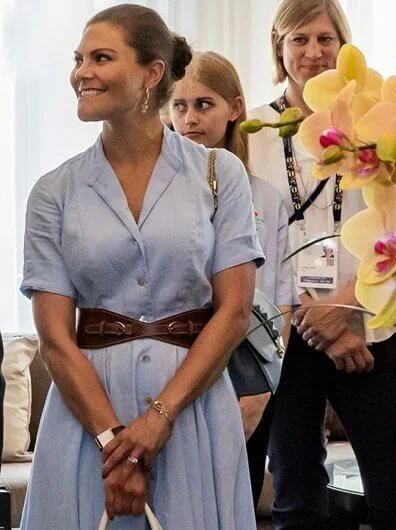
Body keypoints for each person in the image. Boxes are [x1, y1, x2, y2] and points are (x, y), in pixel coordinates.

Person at [19, 5, 263, 529]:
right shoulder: (53, 192)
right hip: (86, 421)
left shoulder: (221, 174)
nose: (81, 71)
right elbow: (55, 340)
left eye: (101, 57)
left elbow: (235, 311)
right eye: (78, 58)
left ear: (152, 74)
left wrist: (158, 420)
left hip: (192, 410)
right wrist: (116, 445)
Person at [248, 0, 396, 528]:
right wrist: (315, 319)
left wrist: (346, 306)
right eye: (299, 40)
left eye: (326, 39)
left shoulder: (380, 127)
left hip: (367, 334)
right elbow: (250, 240)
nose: (313, 52)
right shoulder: (253, 133)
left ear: (344, 46)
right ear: (280, 49)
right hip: (286, 339)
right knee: (295, 500)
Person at [168, 50, 295, 509]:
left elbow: (280, 301)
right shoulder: (154, 191)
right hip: (173, 367)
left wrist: (261, 389)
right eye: (179, 106)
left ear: (234, 110)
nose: (189, 119)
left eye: (204, 105)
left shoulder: (263, 195)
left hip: (246, 376)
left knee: (232, 505)